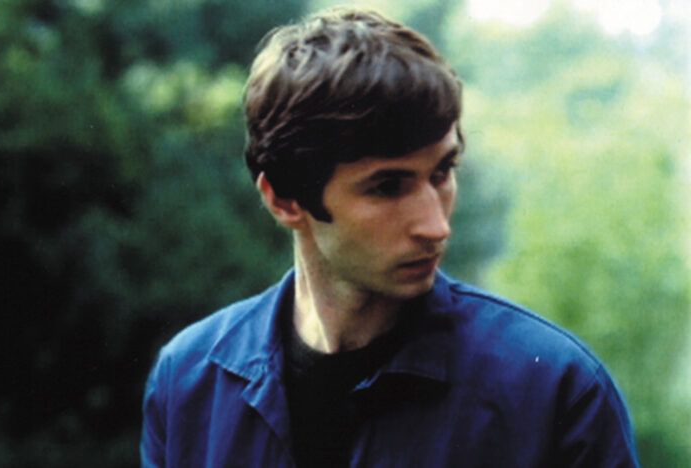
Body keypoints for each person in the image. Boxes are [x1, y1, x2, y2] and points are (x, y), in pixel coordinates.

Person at [140, 7, 640, 467]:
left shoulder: (554, 391)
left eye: (442, 172)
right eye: (387, 187)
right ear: (285, 200)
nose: (436, 226)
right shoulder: (188, 382)